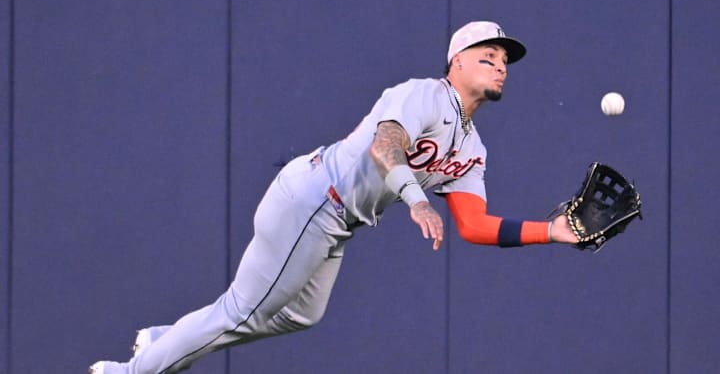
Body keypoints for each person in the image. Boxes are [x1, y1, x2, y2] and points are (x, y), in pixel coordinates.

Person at [90, 20, 578, 374]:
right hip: (314, 198)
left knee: (302, 314)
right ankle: (128, 373)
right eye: (487, 54)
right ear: (457, 62)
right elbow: (385, 146)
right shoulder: (424, 94)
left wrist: (551, 232)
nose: (500, 64)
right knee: (241, 312)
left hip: (336, 220)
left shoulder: (472, 147)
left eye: (504, 60)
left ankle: (163, 343)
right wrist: (417, 200)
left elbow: (474, 225)